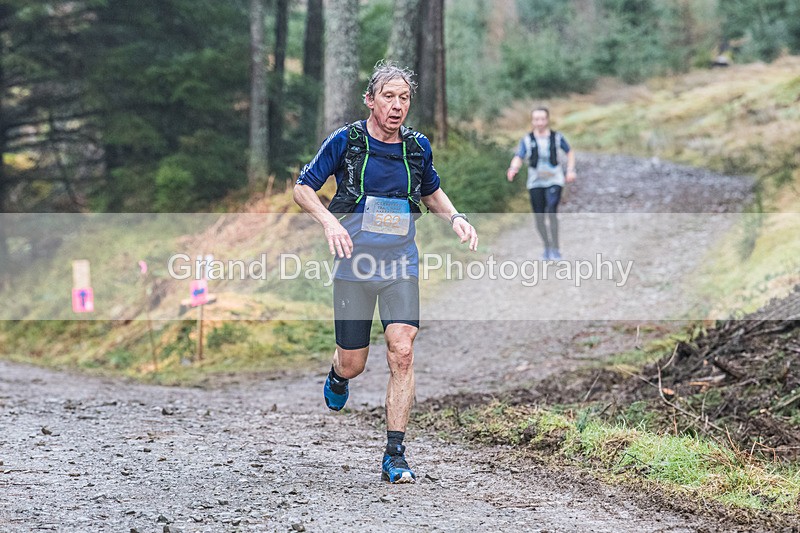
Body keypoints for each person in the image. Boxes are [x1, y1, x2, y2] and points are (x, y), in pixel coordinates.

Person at [293, 61, 478, 484]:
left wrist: (455, 217)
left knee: (402, 350)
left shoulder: (416, 147)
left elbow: (431, 191)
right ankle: (338, 373)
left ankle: (395, 454)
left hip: (399, 263)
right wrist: (330, 222)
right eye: (389, 97)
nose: (397, 106)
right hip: (354, 265)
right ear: (370, 100)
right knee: (353, 363)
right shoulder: (347, 141)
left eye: (404, 98)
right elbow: (303, 189)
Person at [506, 107, 577, 260]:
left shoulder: (557, 137)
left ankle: (556, 249)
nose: (540, 122)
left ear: (547, 120)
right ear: (532, 121)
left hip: (554, 180)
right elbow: (519, 156)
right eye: (536, 119)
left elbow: (569, 152)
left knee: (551, 210)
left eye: (542, 119)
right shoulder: (527, 139)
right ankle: (547, 246)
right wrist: (513, 168)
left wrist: (570, 170)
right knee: (539, 217)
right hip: (535, 182)